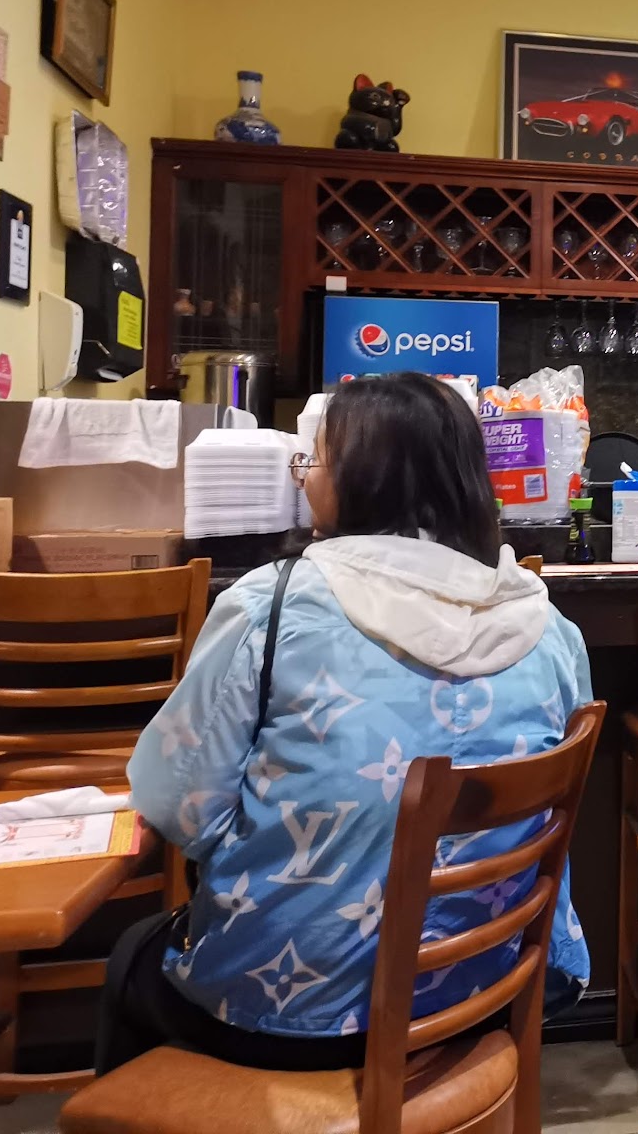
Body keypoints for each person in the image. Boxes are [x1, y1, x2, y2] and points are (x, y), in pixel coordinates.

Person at [100, 371, 593, 1073]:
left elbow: (179, 808)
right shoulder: (549, 629)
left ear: (363, 480)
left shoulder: (271, 608)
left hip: (290, 1013)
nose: (303, 477)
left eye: (313, 460)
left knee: (131, 954)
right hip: (486, 988)